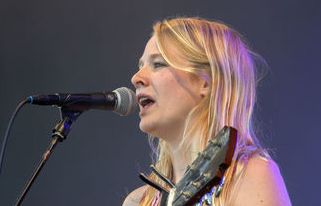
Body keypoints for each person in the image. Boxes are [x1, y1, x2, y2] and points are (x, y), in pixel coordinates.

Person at [123, 17, 291, 205]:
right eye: (141, 67)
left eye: (158, 64)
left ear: (206, 81)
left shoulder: (251, 176)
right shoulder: (138, 201)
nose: (136, 78)